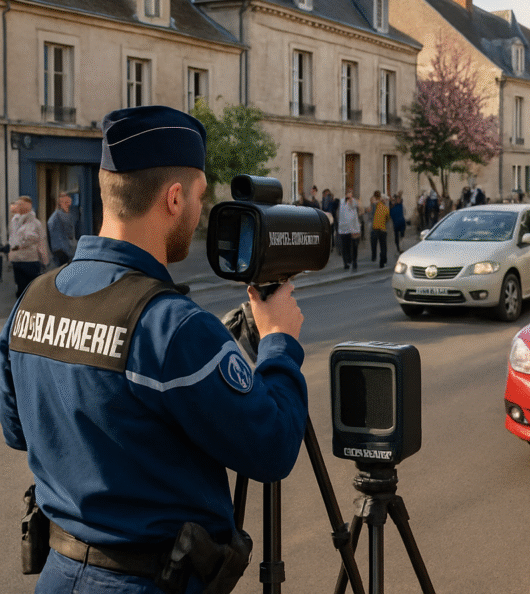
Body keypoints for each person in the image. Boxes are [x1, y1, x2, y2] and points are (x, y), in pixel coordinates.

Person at [0, 105, 307, 594]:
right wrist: (279, 342)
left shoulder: (31, 301)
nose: (199, 212)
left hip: (58, 576)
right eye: (200, 198)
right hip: (147, 582)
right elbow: (271, 448)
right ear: (174, 197)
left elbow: (19, 431)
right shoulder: (173, 327)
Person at [9, 195, 48, 296]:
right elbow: (13, 238)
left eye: (21, 204)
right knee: (20, 289)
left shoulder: (34, 223)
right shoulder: (14, 221)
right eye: (18, 204)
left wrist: (44, 260)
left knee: (31, 289)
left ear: (28, 206)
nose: (19, 206)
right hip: (17, 260)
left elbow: (39, 241)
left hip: (30, 260)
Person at [47, 192, 77, 266]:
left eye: (69, 202)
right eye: (65, 202)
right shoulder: (58, 216)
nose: (68, 204)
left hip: (66, 249)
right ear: (60, 203)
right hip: (61, 249)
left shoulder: (69, 214)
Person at [336, 189, 361, 270]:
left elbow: (358, 206)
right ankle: (346, 263)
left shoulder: (354, 202)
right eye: (348, 193)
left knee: (353, 247)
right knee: (344, 247)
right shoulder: (341, 202)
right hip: (343, 228)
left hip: (353, 229)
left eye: (350, 193)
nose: (349, 195)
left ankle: (354, 262)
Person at [368, 190, 389, 269]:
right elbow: (388, 218)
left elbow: (369, 211)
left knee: (373, 243)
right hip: (383, 229)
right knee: (383, 246)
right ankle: (382, 262)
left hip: (375, 228)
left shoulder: (374, 205)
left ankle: (374, 256)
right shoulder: (385, 208)